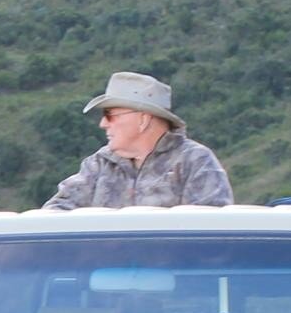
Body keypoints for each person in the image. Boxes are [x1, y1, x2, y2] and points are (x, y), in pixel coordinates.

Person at [43, 71, 233, 210]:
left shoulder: (195, 161)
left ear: (143, 120)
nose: (102, 124)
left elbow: (210, 235)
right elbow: (55, 216)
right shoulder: (98, 164)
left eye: (110, 115)